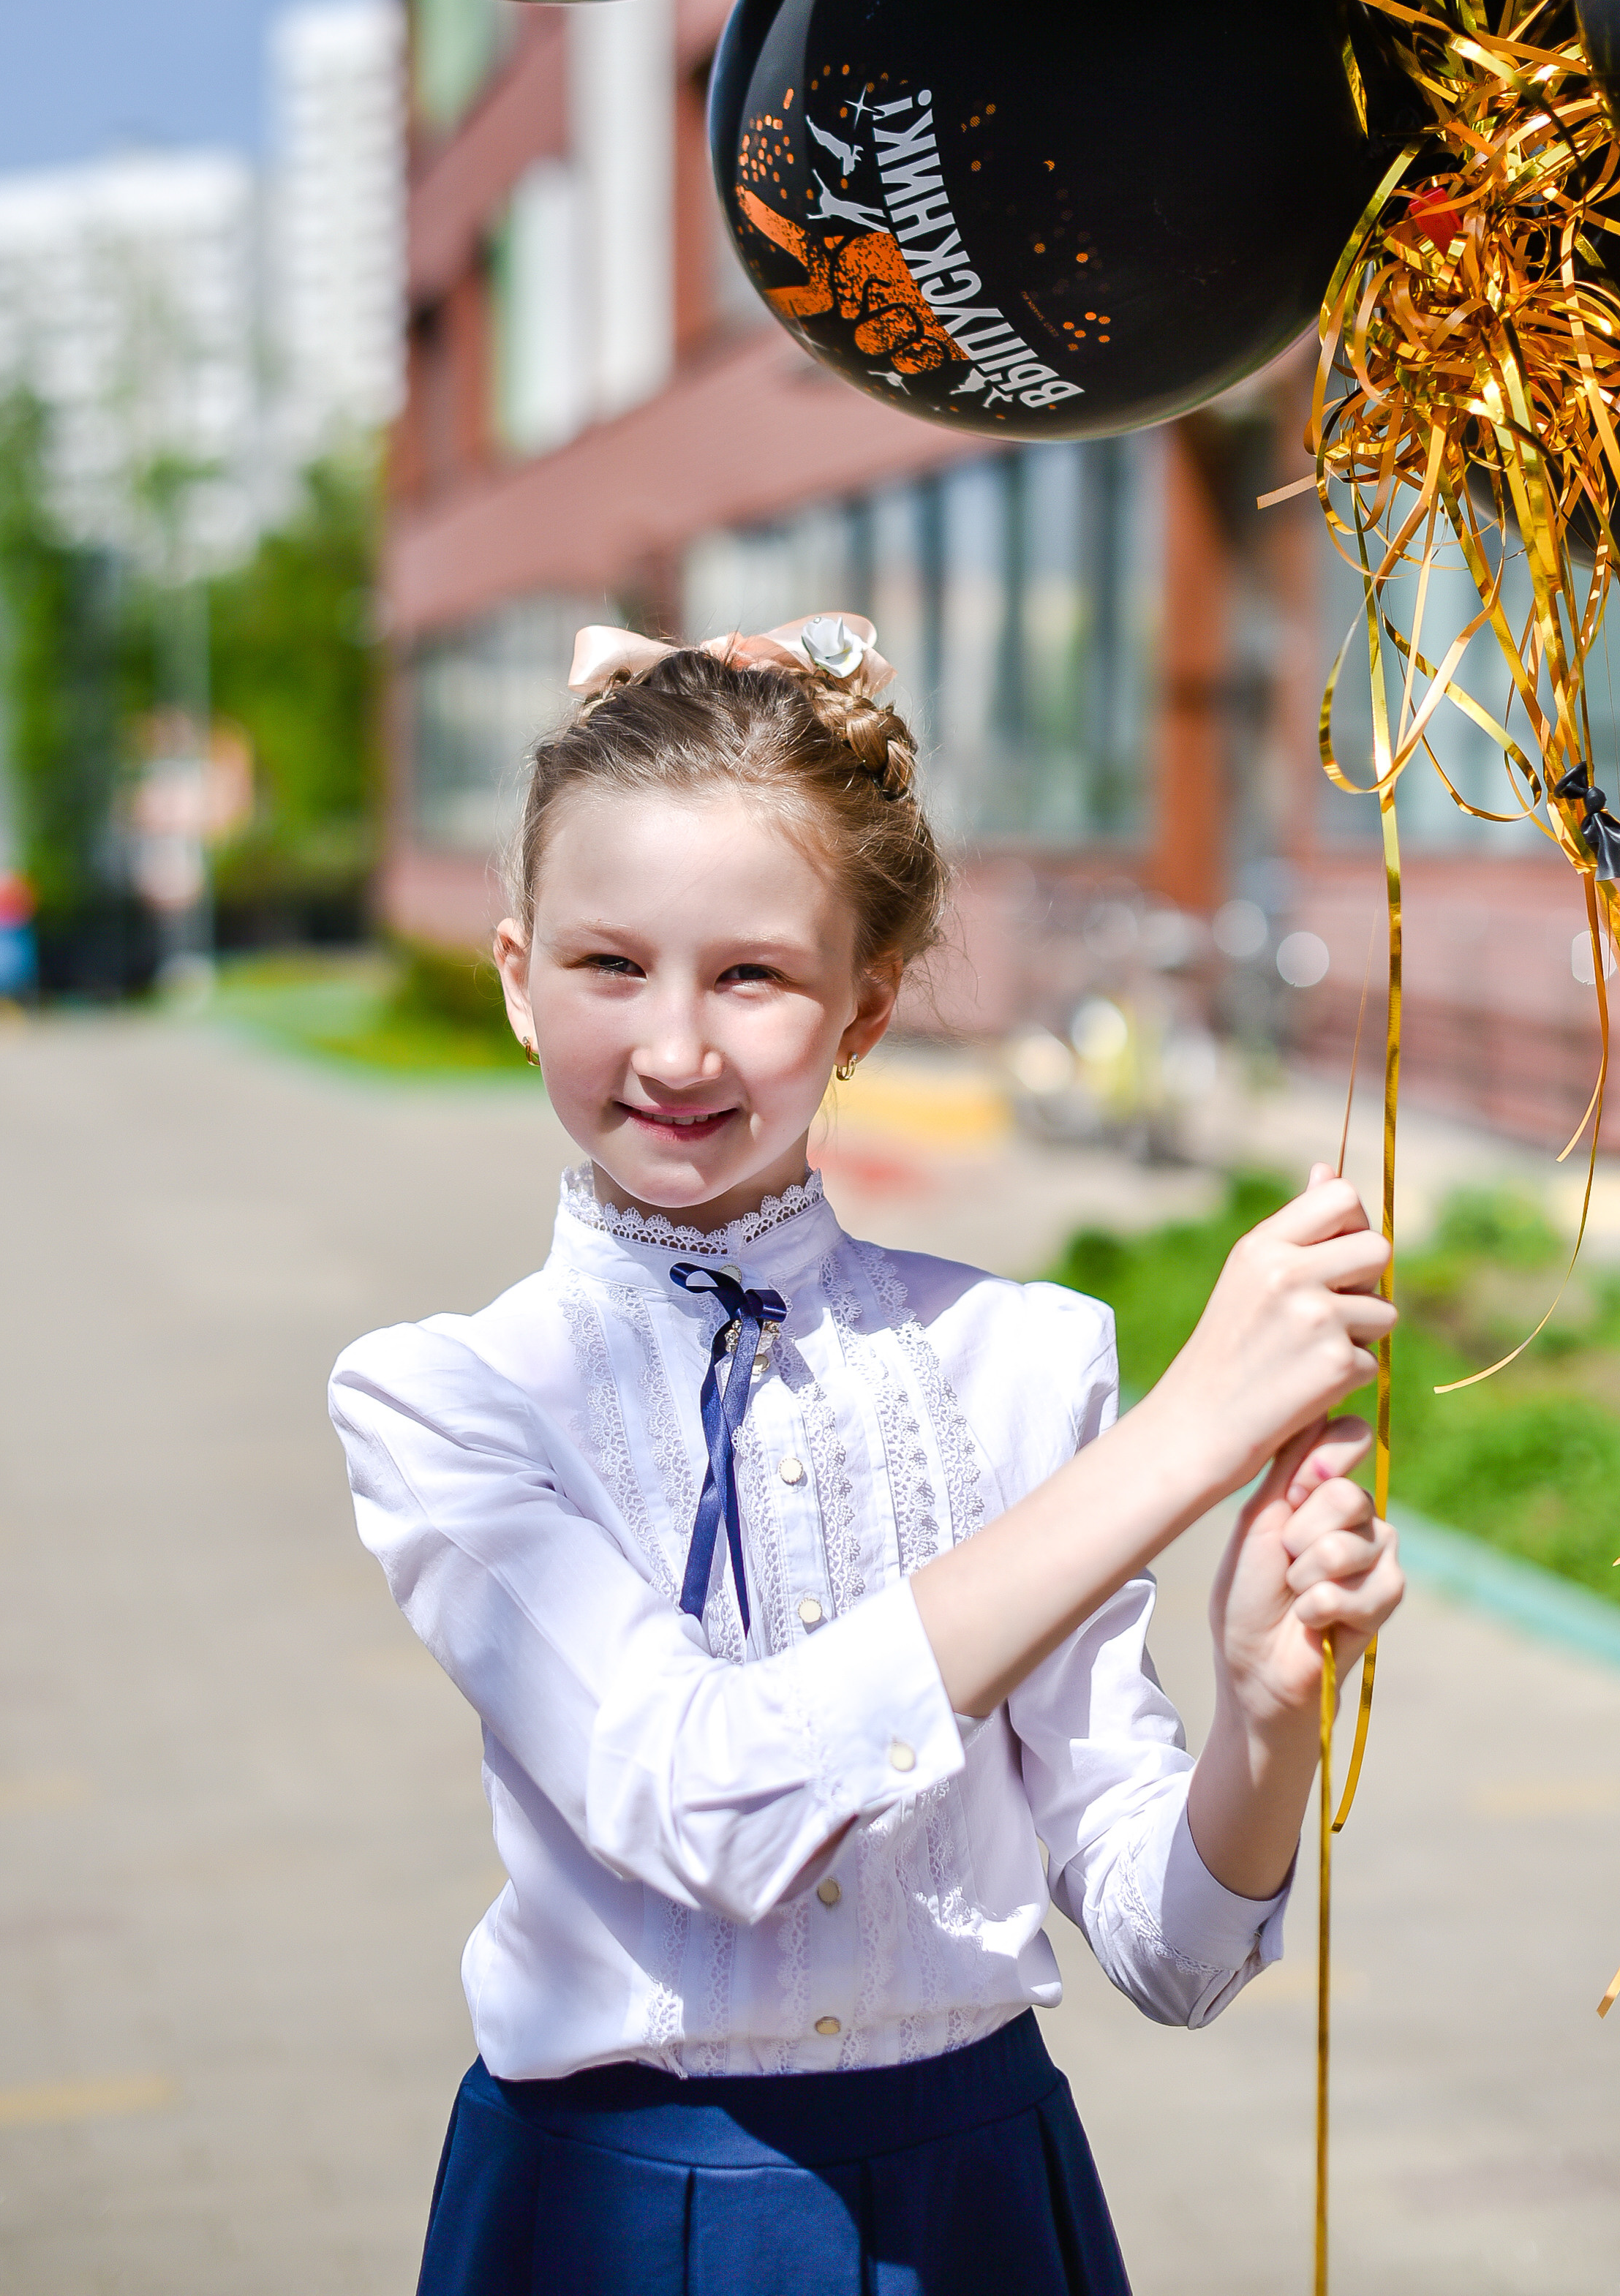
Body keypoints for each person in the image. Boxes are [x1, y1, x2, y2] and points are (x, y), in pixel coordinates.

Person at [330, 612, 1402, 2296]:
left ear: (866, 1004)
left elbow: (1168, 1951)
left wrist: (1262, 1707)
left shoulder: (1022, 1355)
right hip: (619, 2209)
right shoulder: (452, 1397)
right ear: (516, 976)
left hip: (984, 2192)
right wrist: (1187, 1439)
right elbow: (699, 1801)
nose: (676, 1045)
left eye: (751, 973)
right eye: (610, 963)